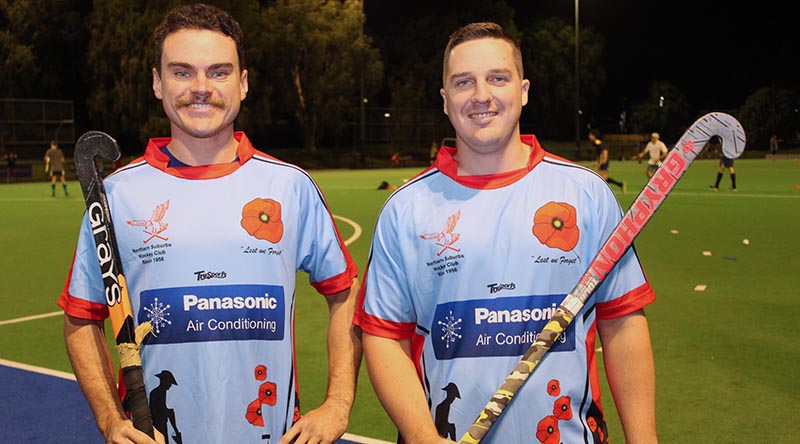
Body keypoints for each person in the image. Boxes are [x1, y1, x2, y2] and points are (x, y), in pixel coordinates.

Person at [58, 4, 361, 444]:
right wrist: (109, 418)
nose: (201, 88)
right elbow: (81, 317)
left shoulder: (290, 186)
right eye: (182, 72)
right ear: (158, 84)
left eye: (219, 72)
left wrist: (337, 404)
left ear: (242, 83)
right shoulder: (117, 195)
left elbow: (346, 291)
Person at [354, 21, 657, 444]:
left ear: (524, 89)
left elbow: (622, 323)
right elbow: (384, 337)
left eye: (497, 78)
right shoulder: (406, 209)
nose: (481, 95)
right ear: (445, 100)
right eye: (464, 82)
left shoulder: (586, 194)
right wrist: (423, 437)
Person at [590, 128, 626, 193]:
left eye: (590, 135)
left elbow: (604, 150)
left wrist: (604, 160)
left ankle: (602, 191)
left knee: (599, 177)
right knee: (604, 178)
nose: (589, 136)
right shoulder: (595, 143)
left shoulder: (597, 142)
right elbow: (599, 153)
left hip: (604, 161)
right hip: (603, 161)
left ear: (593, 136)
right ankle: (620, 184)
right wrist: (598, 162)